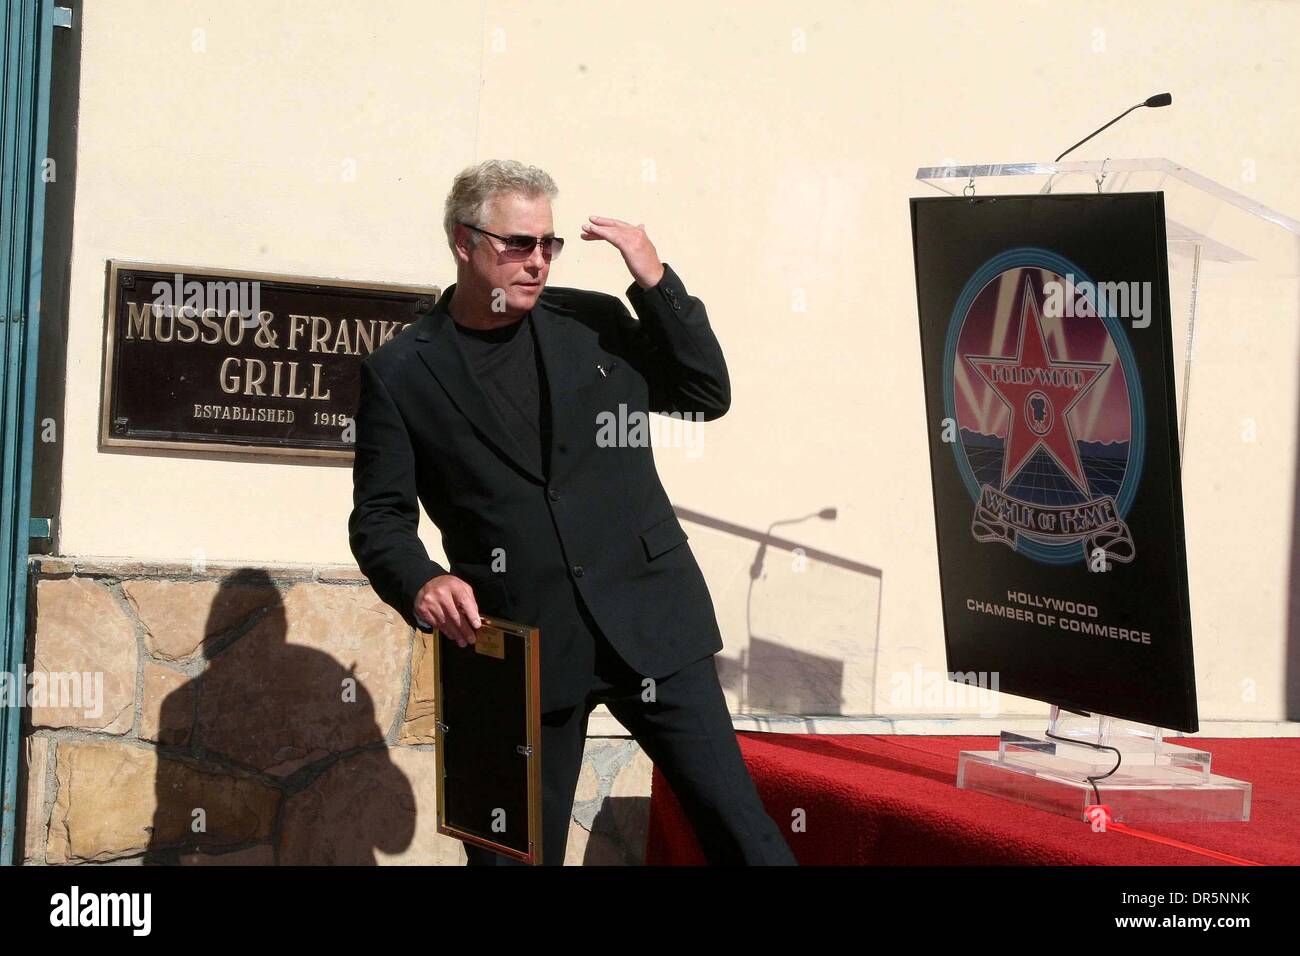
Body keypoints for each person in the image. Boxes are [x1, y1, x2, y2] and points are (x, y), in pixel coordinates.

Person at [349, 159, 796, 866]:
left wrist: (655, 280)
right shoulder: (403, 371)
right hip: (513, 648)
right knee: (511, 859)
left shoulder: (592, 322)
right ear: (463, 243)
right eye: (517, 244)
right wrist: (422, 582)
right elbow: (378, 517)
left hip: (651, 620)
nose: (537, 262)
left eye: (548, 245)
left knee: (744, 836)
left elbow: (705, 392)